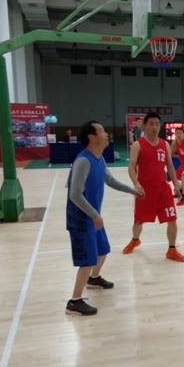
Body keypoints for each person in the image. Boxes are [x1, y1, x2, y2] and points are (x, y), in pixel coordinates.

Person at [65, 121, 142, 316]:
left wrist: (132, 190)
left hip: (93, 216)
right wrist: (94, 214)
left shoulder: (99, 159)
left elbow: (110, 181)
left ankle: (94, 279)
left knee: (103, 249)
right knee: (87, 260)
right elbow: (74, 195)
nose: (106, 134)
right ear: (91, 137)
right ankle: (74, 301)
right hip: (81, 218)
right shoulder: (83, 161)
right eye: (102, 131)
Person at [122, 112, 184, 262]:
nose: (154, 127)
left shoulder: (164, 144)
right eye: (151, 124)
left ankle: (172, 250)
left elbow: (170, 166)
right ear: (144, 126)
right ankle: (135, 239)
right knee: (139, 221)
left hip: (163, 190)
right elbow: (131, 167)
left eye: (157, 124)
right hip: (144, 192)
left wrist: (176, 183)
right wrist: (136, 183)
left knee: (172, 219)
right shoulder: (138, 145)